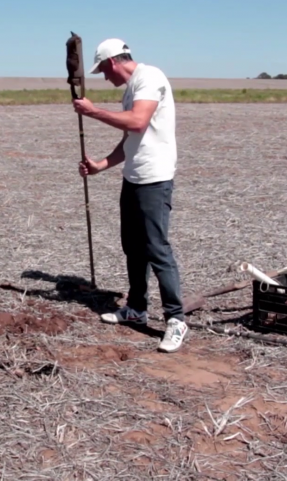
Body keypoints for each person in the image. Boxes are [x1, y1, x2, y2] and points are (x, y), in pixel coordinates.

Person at [72, 38, 188, 353]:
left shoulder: (149, 78)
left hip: (154, 179)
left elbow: (137, 122)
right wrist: (101, 166)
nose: (105, 78)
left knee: (156, 249)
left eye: (103, 71)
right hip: (133, 178)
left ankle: (176, 319)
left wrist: (93, 111)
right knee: (133, 247)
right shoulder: (131, 89)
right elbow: (129, 141)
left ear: (111, 62)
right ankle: (136, 309)